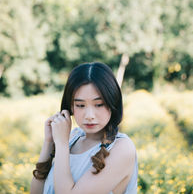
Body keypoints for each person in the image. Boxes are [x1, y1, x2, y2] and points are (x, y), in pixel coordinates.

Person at [30, 62, 138, 194]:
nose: (89, 116)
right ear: (70, 107)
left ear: (112, 103)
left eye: (99, 104)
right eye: (80, 105)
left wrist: (62, 144)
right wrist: (49, 142)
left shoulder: (121, 148)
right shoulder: (72, 138)